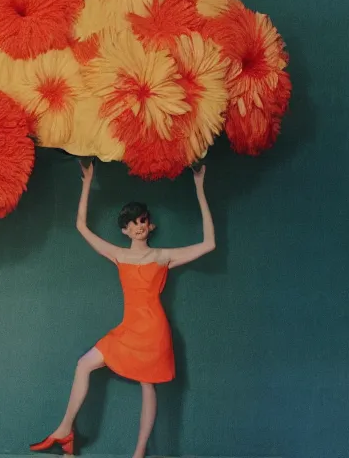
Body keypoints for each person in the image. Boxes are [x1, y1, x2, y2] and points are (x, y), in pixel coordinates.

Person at [30, 161, 215, 458]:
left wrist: (199, 187)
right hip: (128, 329)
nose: (139, 226)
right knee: (84, 365)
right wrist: (87, 181)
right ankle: (65, 430)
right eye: (133, 222)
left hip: (154, 331)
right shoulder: (118, 255)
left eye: (143, 220)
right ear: (124, 229)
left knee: (148, 387)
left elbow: (208, 244)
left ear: (150, 225)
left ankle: (138, 454)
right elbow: (81, 226)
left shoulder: (163, 256)